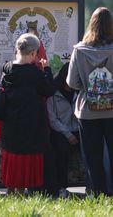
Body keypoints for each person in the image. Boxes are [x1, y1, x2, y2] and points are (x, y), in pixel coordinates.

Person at [0, 33, 56, 194]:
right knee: (28, 160)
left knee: (13, 157)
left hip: (11, 124)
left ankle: (11, 189)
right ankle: (27, 190)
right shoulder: (34, 73)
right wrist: (47, 70)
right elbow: (49, 90)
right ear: (33, 53)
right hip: (31, 125)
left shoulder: (7, 68)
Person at [66, 7, 113, 196]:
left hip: (87, 111)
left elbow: (72, 82)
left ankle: (96, 192)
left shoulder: (79, 50)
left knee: (92, 155)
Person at [47, 62, 80, 198]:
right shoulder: (53, 94)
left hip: (77, 129)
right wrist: (68, 135)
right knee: (61, 151)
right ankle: (61, 187)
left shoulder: (78, 92)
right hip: (61, 131)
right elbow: (52, 119)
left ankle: (94, 186)